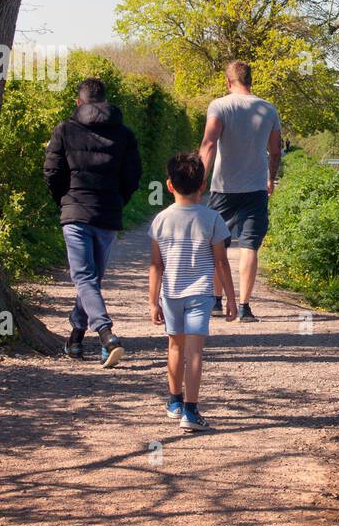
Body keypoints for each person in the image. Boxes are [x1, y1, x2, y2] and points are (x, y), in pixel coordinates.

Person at [44, 76, 141, 367]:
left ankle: (106, 334)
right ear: (105, 101)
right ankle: (75, 339)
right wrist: (117, 201)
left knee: (86, 279)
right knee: (91, 279)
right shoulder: (124, 134)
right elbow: (132, 177)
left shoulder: (64, 130)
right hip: (107, 213)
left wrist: (64, 201)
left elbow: (52, 172)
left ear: (79, 102)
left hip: (75, 212)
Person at [148, 152, 237, 431]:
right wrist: (232, 299)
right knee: (194, 352)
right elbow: (221, 262)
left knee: (174, 346)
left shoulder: (160, 220)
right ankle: (191, 411)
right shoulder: (213, 219)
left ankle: (174, 402)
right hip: (200, 293)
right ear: (204, 185)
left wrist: (153, 302)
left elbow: (156, 265)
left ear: (169, 185)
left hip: (171, 293)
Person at [198, 60, 282, 321]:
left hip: (223, 187)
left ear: (228, 81)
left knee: (216, 245)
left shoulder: (220, 106)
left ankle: (215, 301)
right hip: (255, 187)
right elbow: (276, 150)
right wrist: (271, 177)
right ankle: (244, 306)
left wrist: (200, 180)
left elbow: (209, 144)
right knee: (249, 247)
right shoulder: (268, 109)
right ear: (250, 80)